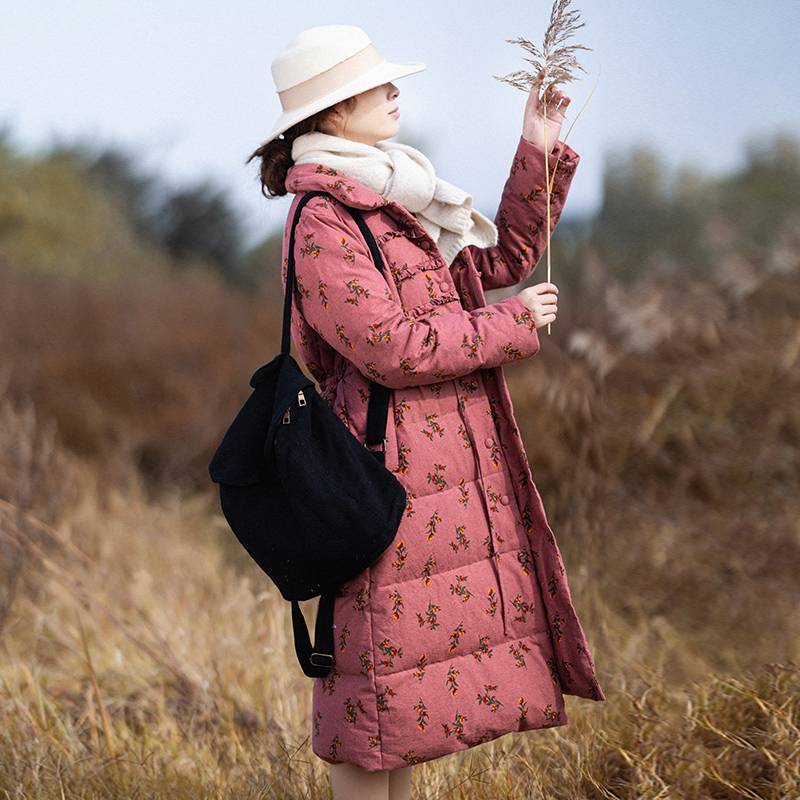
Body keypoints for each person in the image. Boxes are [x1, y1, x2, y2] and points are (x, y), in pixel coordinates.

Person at [248, 24, 604, 800]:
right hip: (381, 483)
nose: (394, 92)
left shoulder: (392, 202)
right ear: (336, 112)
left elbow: (499, 262)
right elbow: (390, 346)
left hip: (426, 482)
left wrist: (537, 146)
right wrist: (514, 326)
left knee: (398, 709)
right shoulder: (324, 220)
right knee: (369, 703)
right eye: (378, 86)